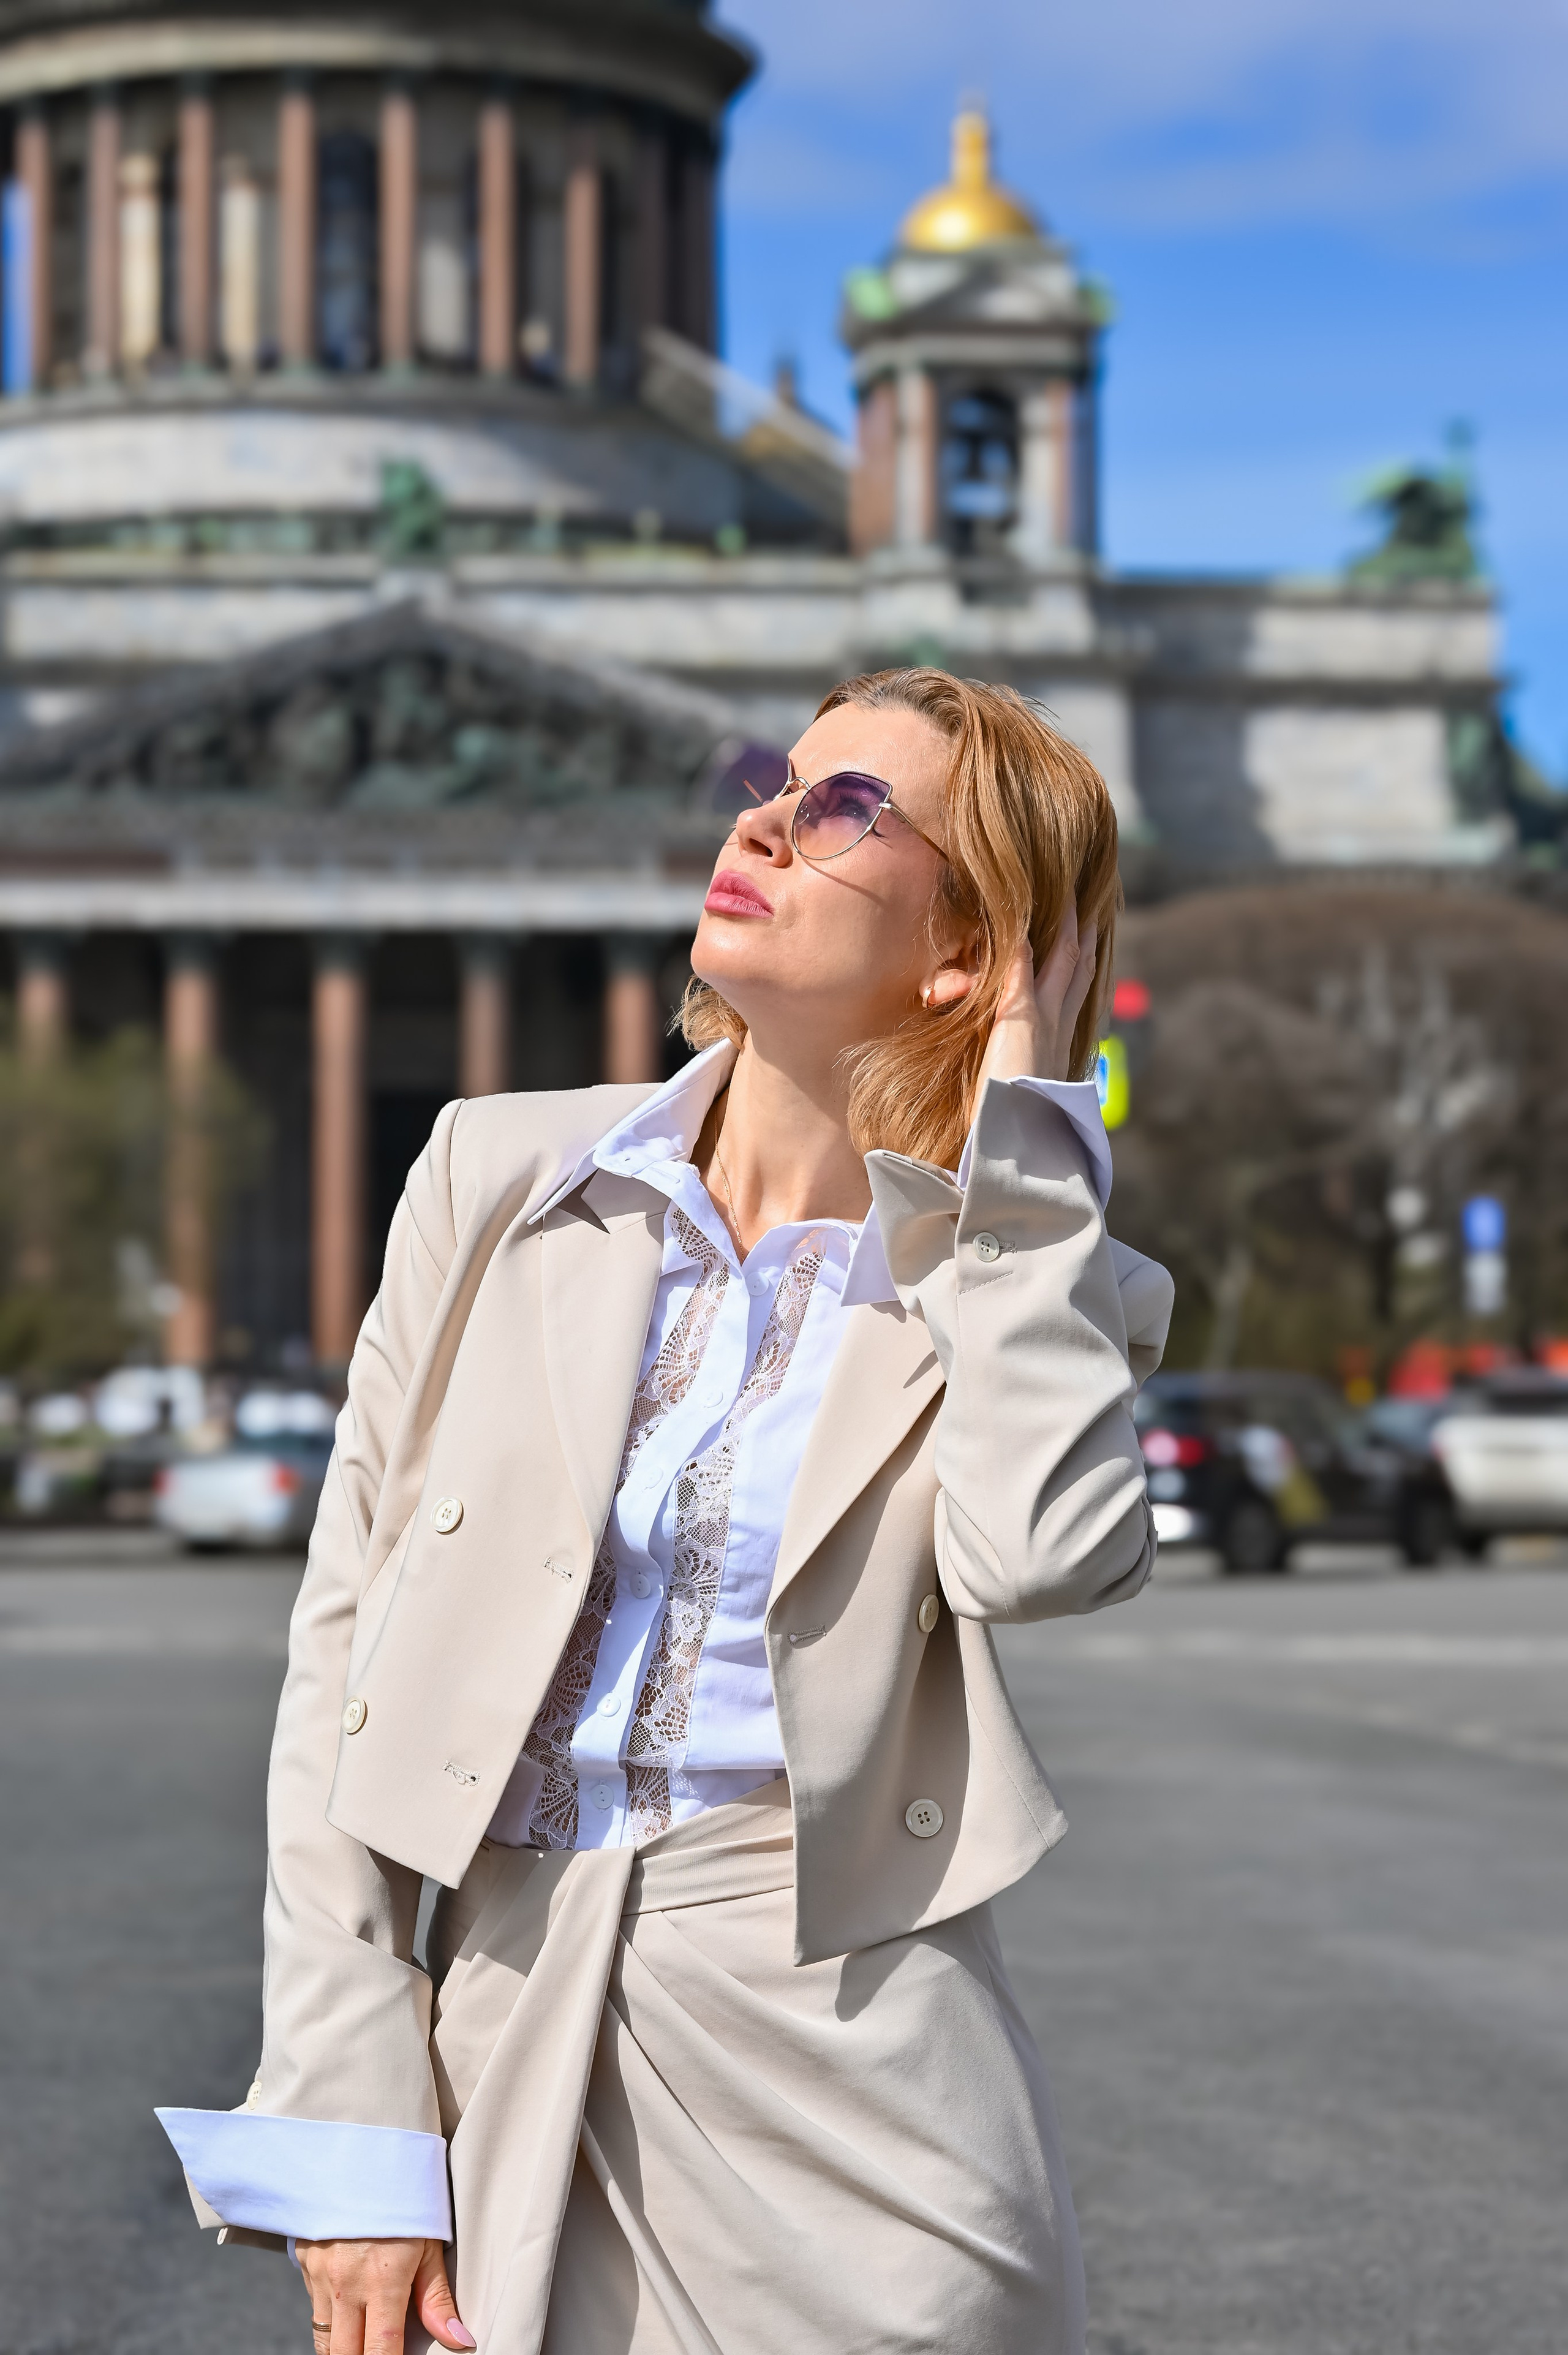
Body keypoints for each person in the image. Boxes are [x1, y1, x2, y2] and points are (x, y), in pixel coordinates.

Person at [158, 667, 1172, 2355]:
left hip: (866, 2103)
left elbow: (1049, 1555)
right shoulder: (501, 1177)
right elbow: (340, 1645)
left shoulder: (1012, 1277)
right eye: (780, 778)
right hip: (501, 2045)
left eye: (851, 809)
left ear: (963, 951)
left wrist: (1032, 1133)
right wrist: (349, 2123)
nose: (767, 818)